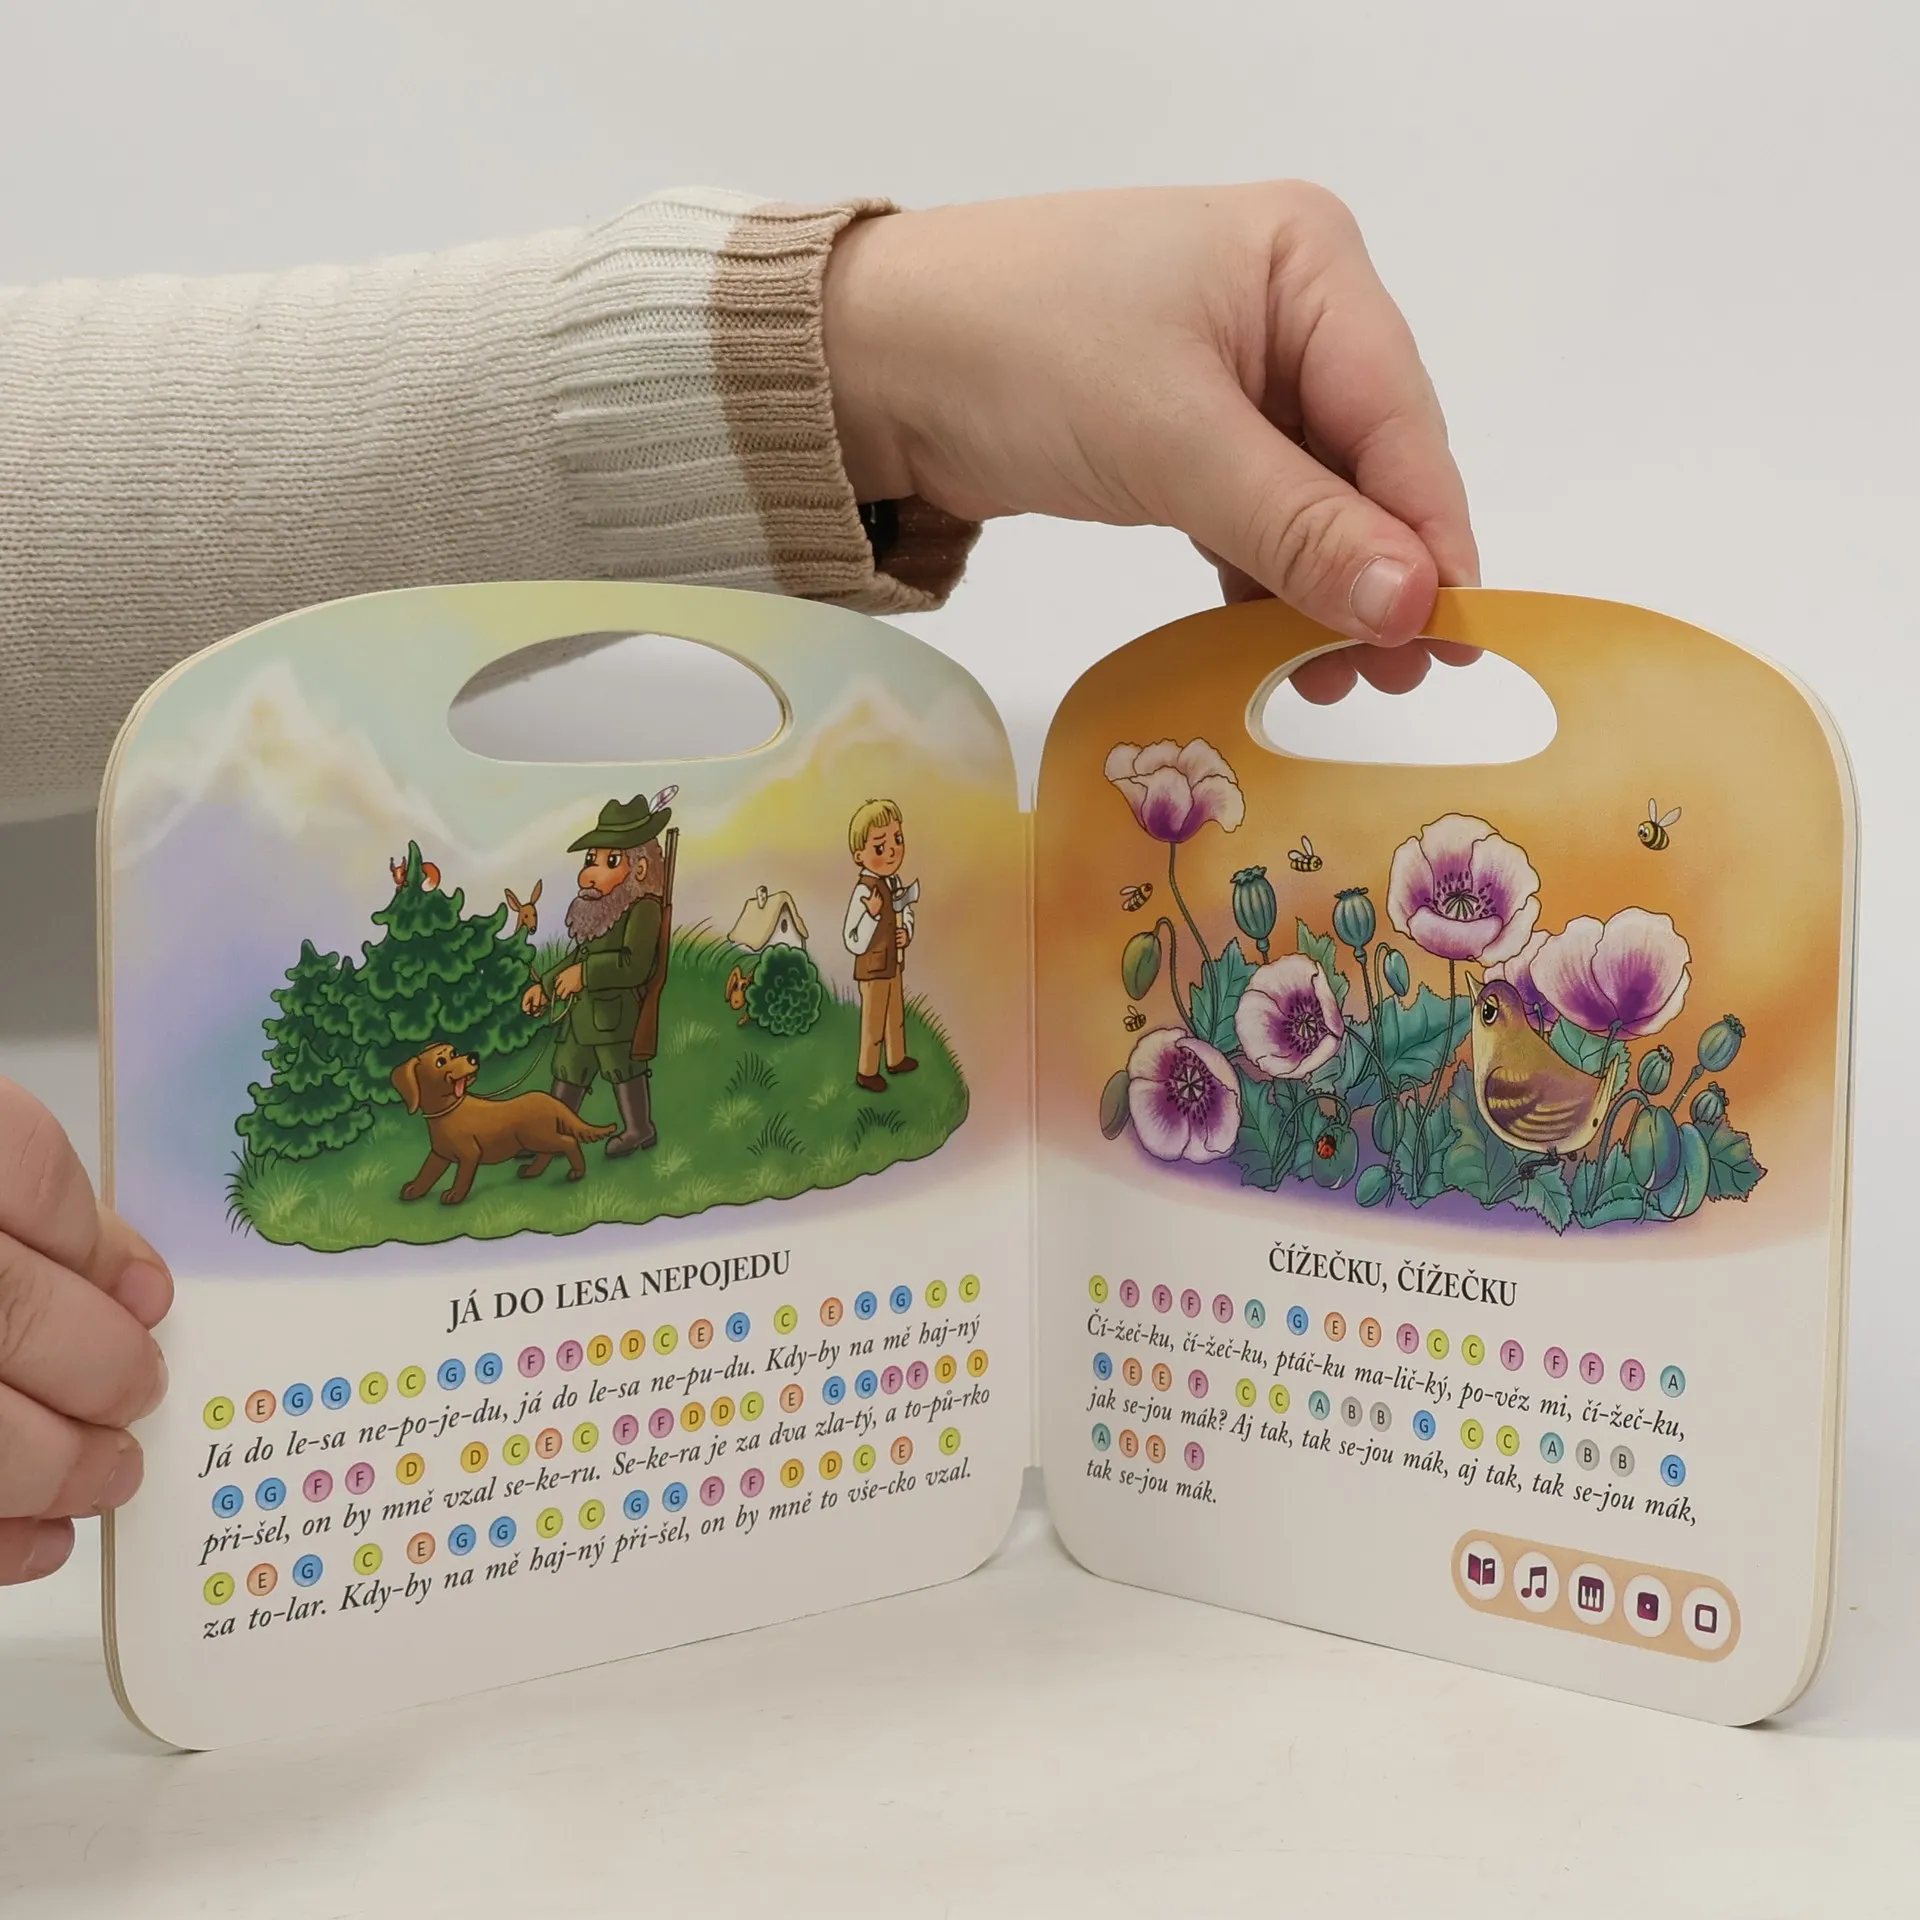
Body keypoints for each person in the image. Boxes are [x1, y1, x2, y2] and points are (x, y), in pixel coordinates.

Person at [0, 180, 1478, 1584]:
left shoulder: (646, 920)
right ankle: (630, 1127)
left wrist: (862, 356)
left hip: (718, 1044)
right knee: (637, 1077)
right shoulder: (608, 914)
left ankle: (649, 1124)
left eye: (610, 863)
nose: (597, 876)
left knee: (752, 1057)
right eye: (598, 864)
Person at [521, 797, 674, 1156]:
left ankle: (639, 1130)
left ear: (639, 868)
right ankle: (552, 1135)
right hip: (581, 1014)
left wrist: (585, 975)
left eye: (610, 861)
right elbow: (579, 955)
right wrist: (545, 986)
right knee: (568, 1069)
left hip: (615, 1016)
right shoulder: (601, 910)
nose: (590, 872)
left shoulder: (643, 909)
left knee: (624, 1070)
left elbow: (635, 965)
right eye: (591, 859)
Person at [843, 798, 917, 1092]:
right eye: (879, 847)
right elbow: (852, 940)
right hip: (873, 969)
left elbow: (906, 911)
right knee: (873, 1022)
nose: (892, 851)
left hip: (893, 963)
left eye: (897, 839)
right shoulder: (864, 890)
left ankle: (896, 1058)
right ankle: (867, 1071)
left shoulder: (894, 882)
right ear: (859, 855)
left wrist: (906, 932)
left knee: (895, 1015)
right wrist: (872, 916)